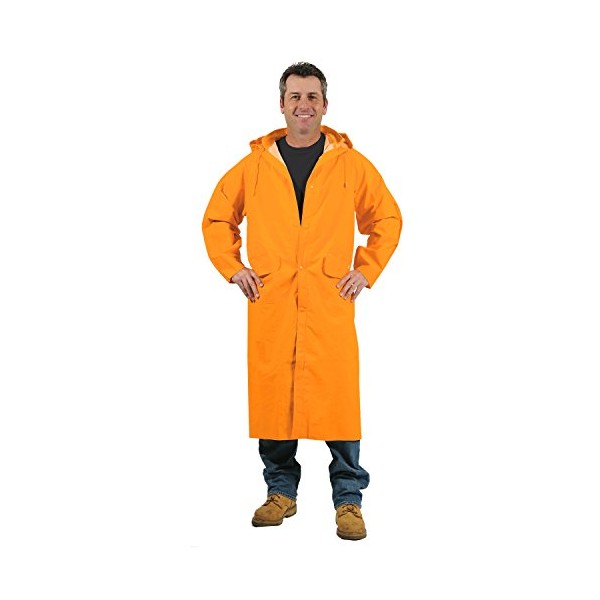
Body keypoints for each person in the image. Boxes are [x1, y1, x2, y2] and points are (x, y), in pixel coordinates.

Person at [202, 62, 402, 540]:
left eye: (312, 96)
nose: (304, 105)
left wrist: (365, 270)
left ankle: (348, 500)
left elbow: (387, 219)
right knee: (274, 396)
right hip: (272, 300)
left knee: (338, 399)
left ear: (325, 105)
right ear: (282, 105)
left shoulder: (350, 164)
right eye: (295, 97)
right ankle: (280, 492)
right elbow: (216, 219)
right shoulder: (254, 166)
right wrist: (234, 268)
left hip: (329, 299)